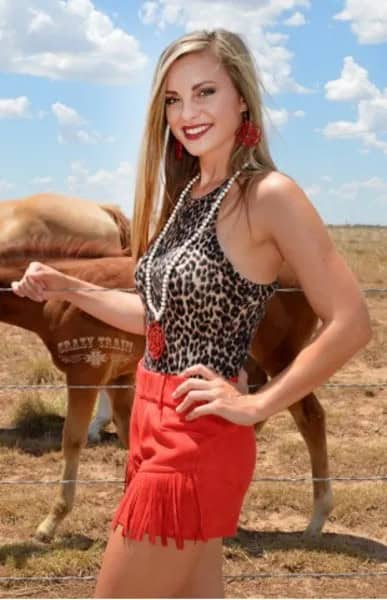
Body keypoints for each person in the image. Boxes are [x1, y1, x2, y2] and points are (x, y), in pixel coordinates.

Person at [11, 28, 372, 599]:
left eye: (205, 92)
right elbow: (160, 322)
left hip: (196, 437)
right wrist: (70, 287)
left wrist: (257, 402)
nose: (187, 112)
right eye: (174, 100)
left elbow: (352, 321)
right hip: (152, 426)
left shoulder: (268, 196)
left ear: (242, 100)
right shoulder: (189, 194)